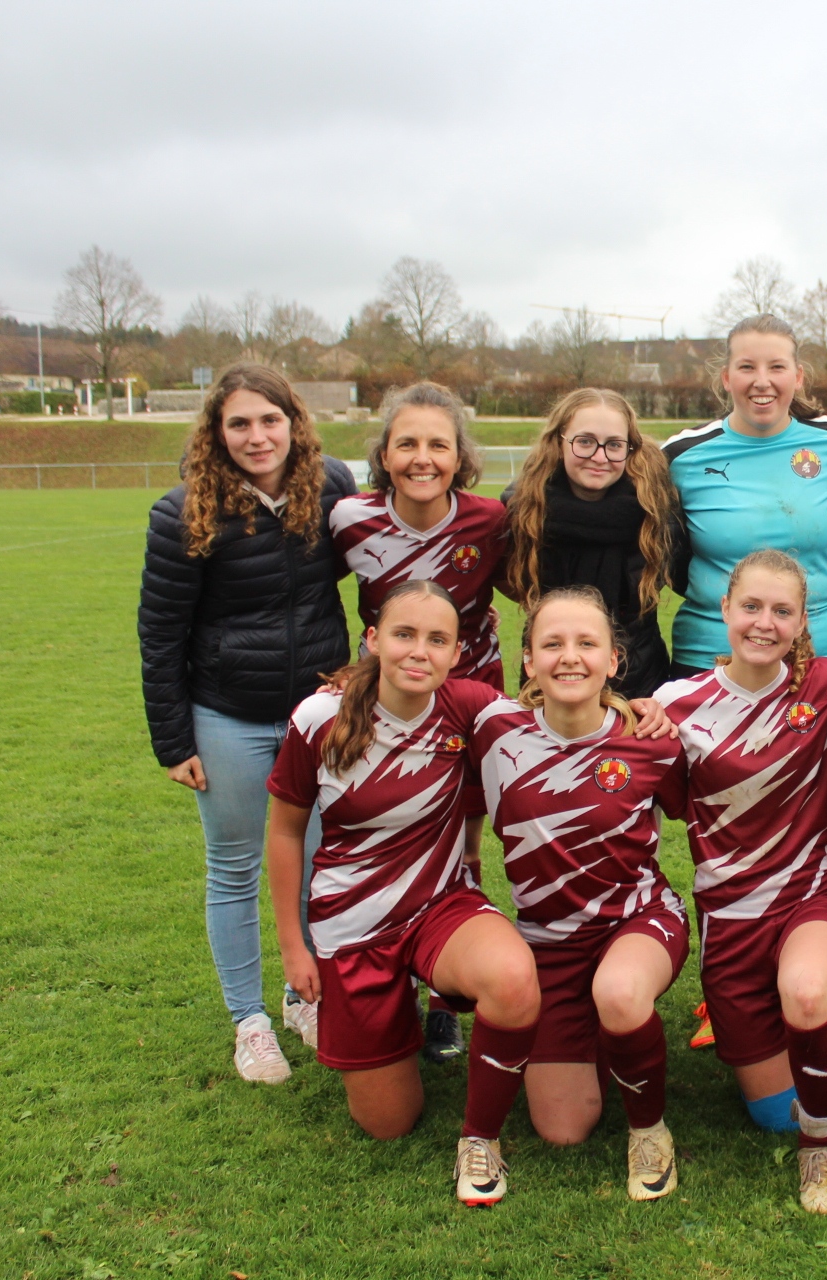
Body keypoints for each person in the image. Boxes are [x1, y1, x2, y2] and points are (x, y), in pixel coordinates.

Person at [263, 581, 541, 1206]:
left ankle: (479, 1136)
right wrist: (293, 948)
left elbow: (558, 710)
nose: (419, 651)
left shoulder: (468, 706)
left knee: (514, 976)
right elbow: (284, 832)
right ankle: (398, 1021)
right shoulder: (319, 719)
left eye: (437, 640)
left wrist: (641, 710)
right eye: (404, 634)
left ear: (455, 653)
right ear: (374, 640)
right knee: (388, 1123)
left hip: (440, 905)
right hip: (351, 924)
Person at [139, 363, 356, 1083]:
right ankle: (249, 1021)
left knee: (318, 867)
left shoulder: (331, 488)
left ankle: (305, 997)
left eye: (270, 419)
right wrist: (173, 740)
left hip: (317, 719)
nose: (258, 436)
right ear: (217, 433)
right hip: (226, 718)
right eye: (240, 423)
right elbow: (160, 633)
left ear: (293, 423)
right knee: (234, 870)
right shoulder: (182, 514)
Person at [651, 550, 827, 1214]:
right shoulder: (674, 706)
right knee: (774, 1113)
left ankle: (820, 1150)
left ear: (803, 621)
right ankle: (772, 1037)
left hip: (813, 898)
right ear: (724, 609)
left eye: (781, 611)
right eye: (751, 606)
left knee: (805, 994)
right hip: (731, 922)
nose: (764, 623)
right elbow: (672, 801)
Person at [468, 586, 692, 1199]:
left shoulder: (652, 739)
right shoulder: (494, 732)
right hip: (549, 944)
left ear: (614, 660)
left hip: (638, 922)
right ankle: (602, 1028)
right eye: (553, 643)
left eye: (587, 643)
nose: (571, 657)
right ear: (528, 660)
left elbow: (707, 815)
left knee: (620, 991)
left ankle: (649, 1131)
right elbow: (413, 695)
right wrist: (347, 685)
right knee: (563, 1129)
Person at [330, 381, 511, 1064]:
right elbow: (315, 599)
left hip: (469, 697)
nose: (422, 457)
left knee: (462, 845)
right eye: (407, 443)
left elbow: (534, 583)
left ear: (460, 454)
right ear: (384, 452)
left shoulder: (488, 519)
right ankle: (370, 979)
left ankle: (446, 1000)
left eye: (438, 443)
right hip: (385, 702)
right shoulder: (350, 518)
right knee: (388, 839)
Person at [664, 314, 827, 676]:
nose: (762, 381)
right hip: (710, 655)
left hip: (824, 650)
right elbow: (656, 549)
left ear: (798, 376)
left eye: (776, 367)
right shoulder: (681, 456)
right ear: (726, 377)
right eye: (747, 367)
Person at [502, 388, 682, 698]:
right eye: (585, 442)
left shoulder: (655, 512)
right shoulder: (523, 511)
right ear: (560, 442)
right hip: (548, 684)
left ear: (630, 448)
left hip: (640, 683)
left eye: (614, 445)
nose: (600, 457)